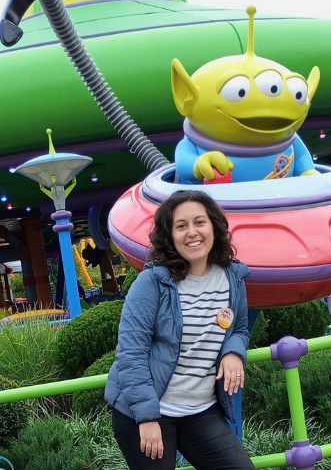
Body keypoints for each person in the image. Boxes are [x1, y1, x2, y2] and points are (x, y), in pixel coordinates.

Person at [104, 190, 255, 470]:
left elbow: (240, 329)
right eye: (181, 226)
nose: (192, 232)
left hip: (201, 410)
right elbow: (131, 354)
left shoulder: (232, 278)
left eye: (199, 222)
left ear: (214, 227)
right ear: (169, 236)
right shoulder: (152, 283)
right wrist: (147, 417)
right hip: (148, 411)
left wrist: (233, 352)